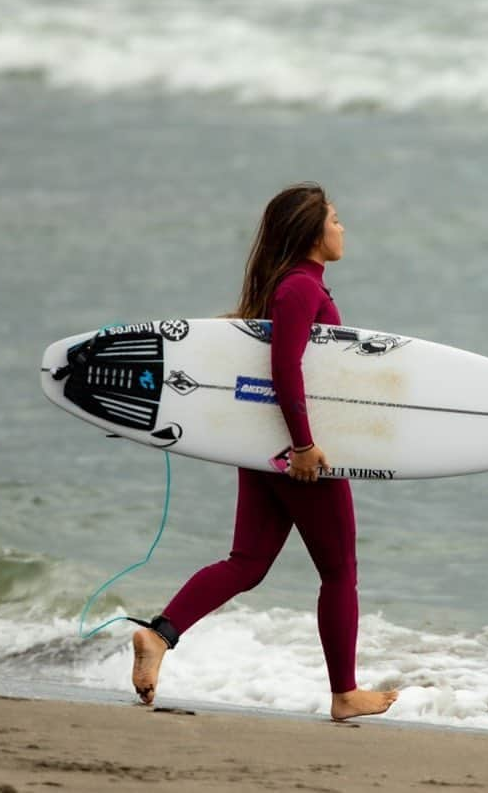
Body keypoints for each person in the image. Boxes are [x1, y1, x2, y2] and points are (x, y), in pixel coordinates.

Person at [131, 183, 399, 721]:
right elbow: (285, 368)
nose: (343, 228)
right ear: (311, 232)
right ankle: (344, 693)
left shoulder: (287, 287)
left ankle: (159, 636)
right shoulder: (300, 288)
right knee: (339, 571)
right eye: (336, 219)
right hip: (297, 452)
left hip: (264, 445)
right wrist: (302, 445)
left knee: (248, 562)